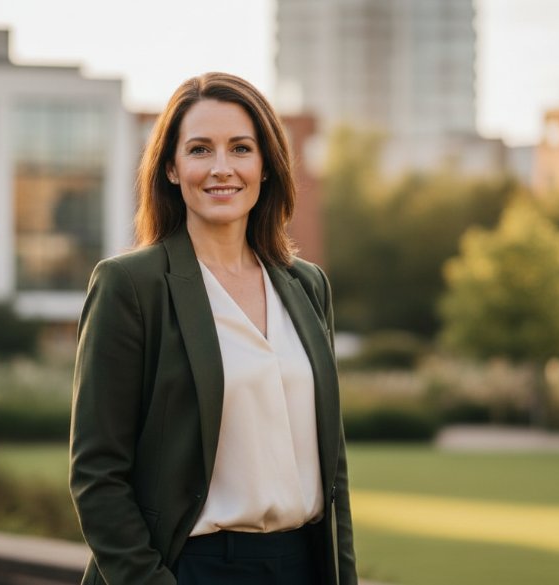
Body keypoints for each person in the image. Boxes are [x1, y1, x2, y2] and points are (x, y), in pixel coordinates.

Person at [70, 72, 357, 585]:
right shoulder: (131, 287)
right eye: (200, 150)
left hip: (303, 564)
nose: (222, 168)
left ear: (265, 166)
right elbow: (97, 476)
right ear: (172, 169)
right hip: (194, 567)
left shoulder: (307, 285)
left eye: (240, 148)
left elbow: (333, 471)